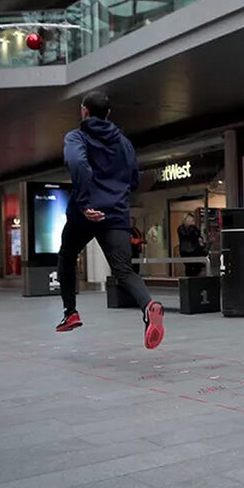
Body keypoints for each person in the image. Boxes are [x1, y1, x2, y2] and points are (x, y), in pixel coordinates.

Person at [55, 91, 165, 349]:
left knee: (67, 257)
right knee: (124, 270)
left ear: (84, 111)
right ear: (109, 114)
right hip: (115, 213)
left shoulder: (76, 137)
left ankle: (70, 311)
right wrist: (116, 195)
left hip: (86, 213)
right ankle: (149, 306)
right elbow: (134, 178)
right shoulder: (124, 142)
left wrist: (84, 203)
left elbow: (78, 164)